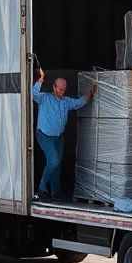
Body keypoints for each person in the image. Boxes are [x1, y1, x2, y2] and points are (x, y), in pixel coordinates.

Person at [32, 68, 96, 201]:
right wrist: (40, 80)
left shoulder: (66, 101)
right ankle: (42, 188)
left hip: (58, 137)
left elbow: (79, 103)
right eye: (59, 89)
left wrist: (90, 94)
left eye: (63, 90)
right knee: (53, 160)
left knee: (57, 165)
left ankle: (56, 193)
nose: (61, 92)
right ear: (54, 87)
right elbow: (33, 94)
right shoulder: (44, 98)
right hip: (44, 136)